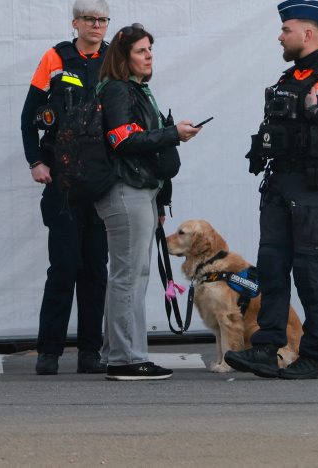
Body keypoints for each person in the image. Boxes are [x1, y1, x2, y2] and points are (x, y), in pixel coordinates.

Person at [224, 0, 318, 380]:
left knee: (307, 271)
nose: (280, 37)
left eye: (286, 30)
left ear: (308, 33)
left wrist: (315, 111)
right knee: (271, 269)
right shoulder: (286, 80)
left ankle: (315, 356)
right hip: (279, 187)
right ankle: (266, 349)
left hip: (314, 189)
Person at [93, 23, 200, 381]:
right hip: (126, 191)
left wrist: (160, 203)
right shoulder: (118, 90)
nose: (149, 56)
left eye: (150, 49)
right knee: (129, 276)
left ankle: (115, 353)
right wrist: (173, 133)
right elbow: (122, 140)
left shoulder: (134, 89)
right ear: (123, 58)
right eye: (141, 51)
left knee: (128, 274)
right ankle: (127, 359)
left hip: (138, 192)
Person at [20, 0, 112, 376]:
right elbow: (28, 116)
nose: (96, 26)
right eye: (89, 19)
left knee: (95, 269)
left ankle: (90, 352)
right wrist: (36, 161)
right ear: (75, 23)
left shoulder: (115, 59)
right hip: (63, 180)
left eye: (102, 20)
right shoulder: (55, 58)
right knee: (63, 266)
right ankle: (49, 351)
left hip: (102, 181)